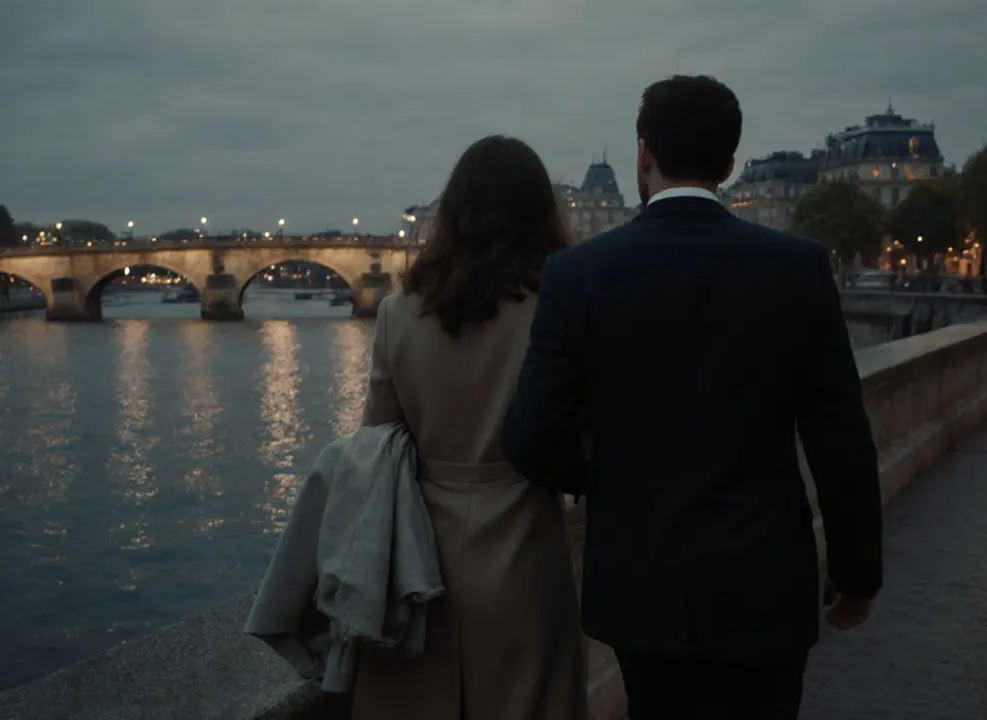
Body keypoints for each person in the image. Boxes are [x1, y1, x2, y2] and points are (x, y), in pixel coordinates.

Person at [502, 75, 884, 719]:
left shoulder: (578, 273)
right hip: (764, 584)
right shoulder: (798, 267)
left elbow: (532, 436)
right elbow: (840, 440)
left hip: (638, 583)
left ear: (642, 154)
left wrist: (607, 477)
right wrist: (857, 573)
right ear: (731, 164)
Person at [353, 135, 586, 719]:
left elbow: (376, 442)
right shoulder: (560, 306)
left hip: (421, 554)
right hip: (527, 540)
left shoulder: (396, 315)